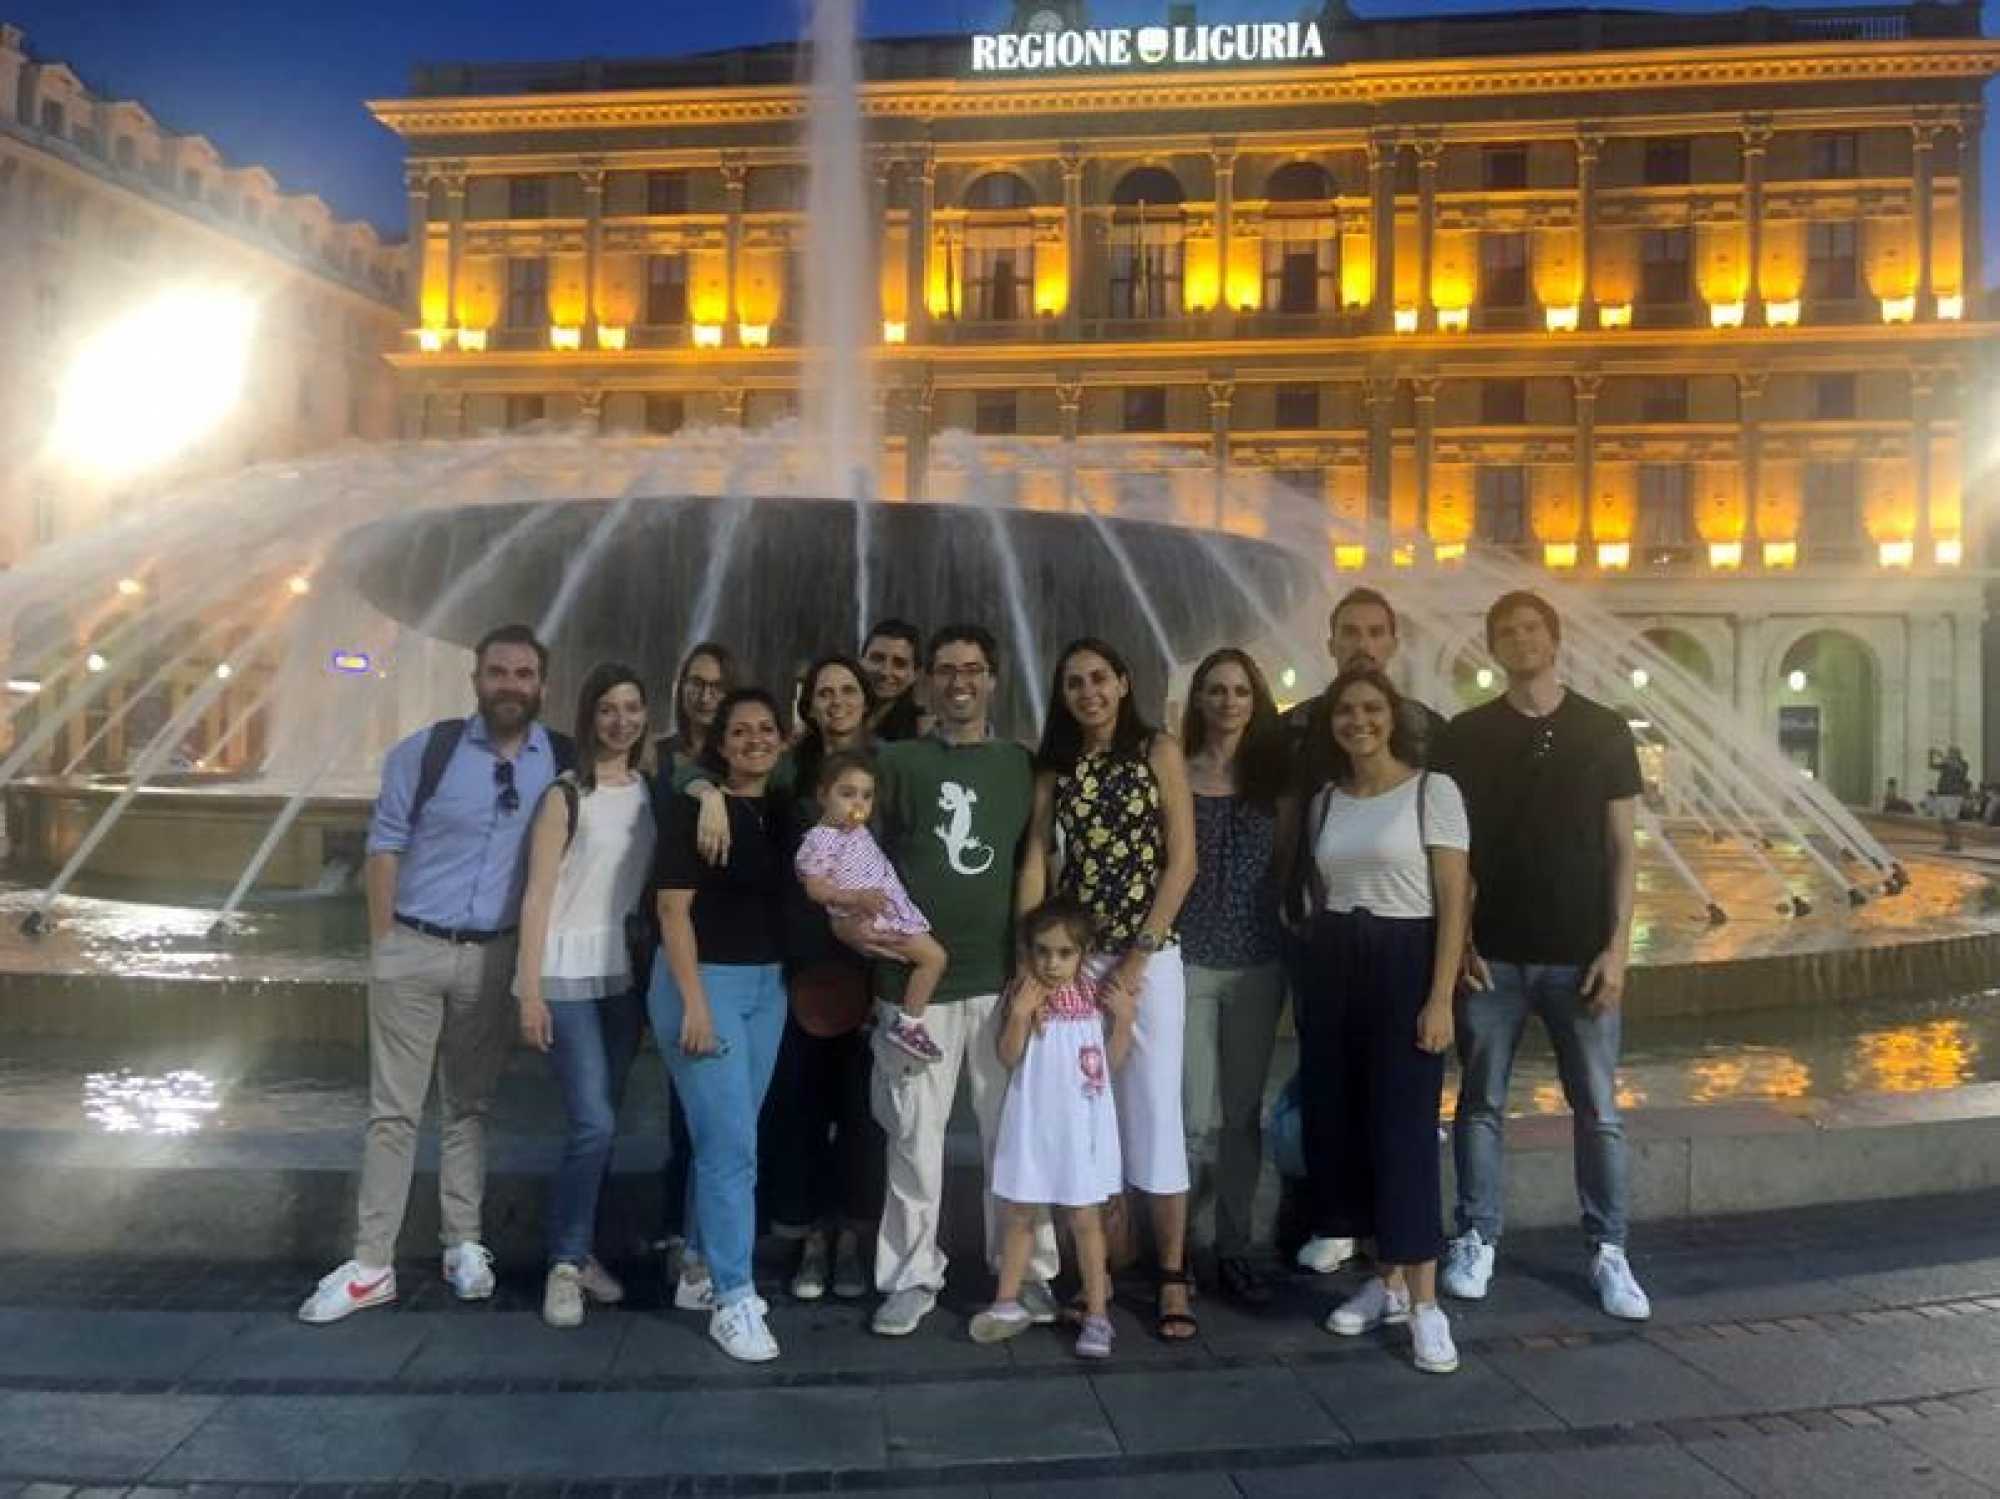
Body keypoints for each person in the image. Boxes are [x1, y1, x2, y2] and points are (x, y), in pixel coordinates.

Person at [299, 624, 567, 1325]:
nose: (511, 685)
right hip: (414, 946)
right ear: (476, 679)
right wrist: (385, 943)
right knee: (393, 1111)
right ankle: (372, 1263)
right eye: (498, 672)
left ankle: (463, 1243)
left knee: (470, 1106)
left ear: (543, 685)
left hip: (494, 956)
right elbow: (384, 846)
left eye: (524, 674)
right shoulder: (426, 752)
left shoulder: (560, 761)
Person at [1435, 591, 1651, 1322]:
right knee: (1479, 1104)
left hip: (1579, 955)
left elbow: (1623, 850)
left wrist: (1616, 950)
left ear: (1554, 640)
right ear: (1493, 647)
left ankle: (1610, 1248)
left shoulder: (1603, 729)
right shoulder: (1466, 736)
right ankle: (1476, 1234)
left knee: (1598, 1109)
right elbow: (1454, 853)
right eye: (1506, 631)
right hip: (1492, 956)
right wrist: (1460, 940)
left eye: (1531, 628)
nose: (1520, 639)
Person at [851, 623, 1061, 1338]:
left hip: (999, 981)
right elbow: (855, 849)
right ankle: (910, 1275)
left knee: (1014, 1133)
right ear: (927, 682)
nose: (959, 681)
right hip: (912, 987)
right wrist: (859, 930)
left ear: (992, 679)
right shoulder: (898, 762)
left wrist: (1034, 968)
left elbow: (1034, 863)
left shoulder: (1018, 765)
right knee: (913, 1138)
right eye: (945, 670)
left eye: (972, 669)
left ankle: (1026, 1270)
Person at [1291, 667, 1471, 1375]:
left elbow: (1453, 899)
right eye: (1345, 710)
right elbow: (1319, 889)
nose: (1358, 721)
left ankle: (1426, 1304)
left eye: (1371, 708)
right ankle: (1385, 1280)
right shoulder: (1325, 801)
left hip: (1404, 958)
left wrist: (1440, 996)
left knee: (1405, 1131)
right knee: (1348, 1127)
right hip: (1337, 958)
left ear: (1393, 716)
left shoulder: (1433, 790)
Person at [1022, 638, 1199, 1341]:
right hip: (1077, 957)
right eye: (1074, 682)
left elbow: (1181, 861)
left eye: (1100, 678)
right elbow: (1039, 855)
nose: (1088, 692)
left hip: (1149, 957)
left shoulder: (1157, 749)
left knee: (1154, 1108)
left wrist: (1139, 956)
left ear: (1124, 683)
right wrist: (1031, 958)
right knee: (1083, 1106)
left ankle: (1173, 1272)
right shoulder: (1057, 763)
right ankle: (1096, 1272)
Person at [649, 687, 795, 1362]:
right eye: (740, 731)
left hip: (767, 987)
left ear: (783, 740)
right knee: (732, 1147)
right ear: (722, 742)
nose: (754, 740)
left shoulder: (784, 809)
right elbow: (672, 910)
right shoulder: (692, 808)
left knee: (728, 1136)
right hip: (703, 981)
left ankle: (698, 1269)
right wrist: (695, 1002)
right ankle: (734, 1299)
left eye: (766, 729)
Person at [512, 663, 657, 1329]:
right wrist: (529, 991)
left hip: (620, 976)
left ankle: (584, 1248)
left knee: (603, 1122)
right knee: (593, 1121)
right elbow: (537, 895)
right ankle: (565, 1263)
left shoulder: (650, 792)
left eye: (631, 708)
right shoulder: (565, 795)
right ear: (589, 717)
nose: (620, 720)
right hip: (566, 972)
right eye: (607, 709)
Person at [759, 655, 884, 1303]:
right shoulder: (789, 776)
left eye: (848, 690)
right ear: (809, 703)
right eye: (824, 692)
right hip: (805, 966)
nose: (836, 701)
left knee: (864, 1116)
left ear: (866, 699)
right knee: (803, 1109)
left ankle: (855, 1238)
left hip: (872, 961)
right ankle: (809, 1237)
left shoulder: (889, 769)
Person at [1178, 648, 1294, 1305]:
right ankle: (1181, 1245)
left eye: (1241, 691)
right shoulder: (1176, 771)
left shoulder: (1276, 780)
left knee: (1243, 1115)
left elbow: (1290, 864)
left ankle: (1233, 1245)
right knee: (1193, 1114)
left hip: (1256, 962)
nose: (1228, 702)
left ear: (1257, 701)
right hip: (1188, 961)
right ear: (1199, 698)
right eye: (1217, 690)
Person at [973, 897, 1133, 1360]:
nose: (1052, 963)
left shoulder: (1096, 997)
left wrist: (1125, 1021)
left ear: (1084, 953)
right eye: (1043, 951)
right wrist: (1020, 1014)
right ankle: (1006, 1302)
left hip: (1080, 1124)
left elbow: (1109, 1063)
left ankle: (1098, 1315)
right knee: (1020, 1212)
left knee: (1084, 1219)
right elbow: (1008, 1056)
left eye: (1065, 953)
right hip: (1033, 1120)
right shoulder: (1025, 995)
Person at [653, 641, 736, 1272]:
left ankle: (697, 1235)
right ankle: (676, 1227)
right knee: (679, 1089)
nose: (705, 695)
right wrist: (705, 793)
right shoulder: (659, 755)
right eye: (696, 683)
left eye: (716, 686)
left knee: (711, 1099)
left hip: (721, 939)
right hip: (660, 927)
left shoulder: (738, 753)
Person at [796, 751, 950, 1062]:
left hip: (884, 908)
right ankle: (910, 1024)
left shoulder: (851, 830)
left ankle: (879, 1015)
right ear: (823, 795)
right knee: (934, 958)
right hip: (875, 915)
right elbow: (815, 888)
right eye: (847, 794)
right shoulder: (820, 840)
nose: (858, 804)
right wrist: (855, 899)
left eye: (866, 796)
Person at [1283, 588, 1449, 790]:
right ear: (1331, 646)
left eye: (1376, 633)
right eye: (1350, 633)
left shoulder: (1428, 730)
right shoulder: (1294, 729)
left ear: (1393, 646)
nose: (1362, 645)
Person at [862, 619, 928, 741]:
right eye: (877, 659)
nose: (885, 672)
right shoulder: (837, 715)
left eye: (899, 664)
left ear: (916, 674)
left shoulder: (921, 731)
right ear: (861, 661)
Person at [1934, 746, 1972, 852]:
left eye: (1952, 752)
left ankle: (1956, 842)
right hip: (1942, 793)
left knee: (1952, 820)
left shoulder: (1963, 764)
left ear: (1958, 753)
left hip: (1953, 795)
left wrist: (1943, 757)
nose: (1950, 754)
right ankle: (1949, 841)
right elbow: (1932, 766)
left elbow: (1958, 769)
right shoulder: (1946, 763)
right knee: (1944, 820)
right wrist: (1931, 754)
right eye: (1949, 752)